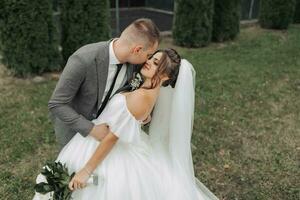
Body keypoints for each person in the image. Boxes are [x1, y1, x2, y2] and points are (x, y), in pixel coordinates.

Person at [34, 49, 219, 200]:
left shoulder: (141, 96)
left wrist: (86, 170)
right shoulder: (149, 89)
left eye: (156, 64)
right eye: (152, 58)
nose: (148, 62)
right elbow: (141, 117)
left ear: (165, 77)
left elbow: (111, 138)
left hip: (105, 145)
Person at [48, 18, 159, 149]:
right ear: (137, 50)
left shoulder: (135, 65)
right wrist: (91, 129)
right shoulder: (84, 59)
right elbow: (57, 104)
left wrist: (144, 115)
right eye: (148, 55)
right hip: (76, 131)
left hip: (110, 136)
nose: (148, 60)